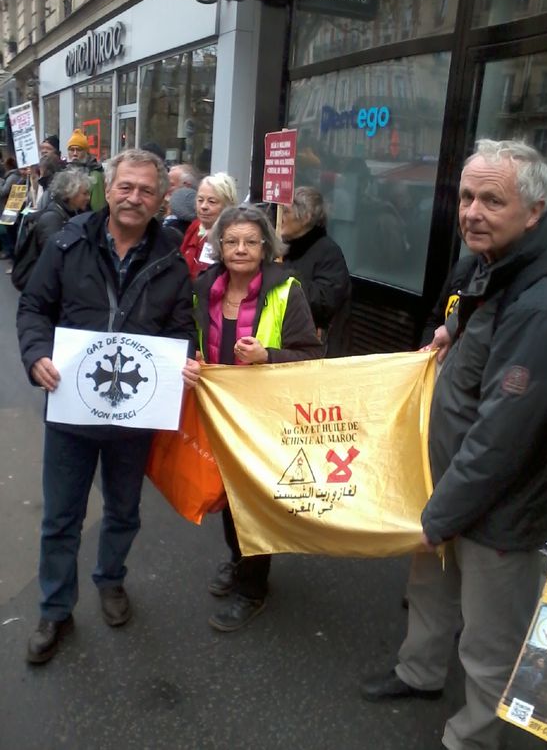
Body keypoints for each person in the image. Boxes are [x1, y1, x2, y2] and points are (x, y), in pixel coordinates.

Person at [359, 139, 547, 750]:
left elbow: (506, 431)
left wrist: (440, 514)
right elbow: (476, 315)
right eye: (466, 196)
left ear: (534, 210)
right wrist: (454, 328)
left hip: (498, 501)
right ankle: (420, 672)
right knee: (429, 589)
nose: (472, 211)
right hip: (449, 479)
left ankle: (473, 737)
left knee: (489, 636)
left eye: (491, 200)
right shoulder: (495, 258)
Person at [17, 148, 199, 665]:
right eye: (126, 187)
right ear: (108, 188)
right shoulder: (67, 243)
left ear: (160, 198)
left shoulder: (171, 258)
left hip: (134, 416)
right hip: (71, 410)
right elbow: (34, 308)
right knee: (61, 516)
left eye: (145, 190)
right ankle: (55, 607)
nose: (134, 198)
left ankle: (111, 579)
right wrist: (37, 356)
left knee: (123, 511)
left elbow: (180, 330)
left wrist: (183, 363)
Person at [183, 204, 322, 632]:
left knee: (254, 502)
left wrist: (268, 356)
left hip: (266, 418)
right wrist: (189, 362)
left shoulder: (286, 290)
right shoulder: (203, 287)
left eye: (251, 241)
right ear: (219, 246)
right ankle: (239, 560)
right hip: (220, 414)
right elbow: (191, 341)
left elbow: (313, 357)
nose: (241, 249)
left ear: (266, 247)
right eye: (231, 241)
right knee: (227, 496)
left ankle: (252, 588)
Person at [281, 186, 352, 356]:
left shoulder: (328, 252)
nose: (280, 218)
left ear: (305, 218)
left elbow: (324, 302)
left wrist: (285, 273)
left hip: (318, 349)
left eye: (285, 212)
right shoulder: (287, 247)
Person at [180, 172, 237, 279]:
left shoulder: (234, 237)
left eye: (212, 201)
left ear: (228, 205)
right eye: (200, 200)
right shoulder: (195, 227)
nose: (203, 206)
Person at [33, 168, 91, 247]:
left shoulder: (75, 212)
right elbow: (53, 254)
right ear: (70, 193)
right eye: (85, 193)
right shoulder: (51, 219)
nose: (88, 197)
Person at [65, 129, 106, 211]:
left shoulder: (94, 174)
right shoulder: (66, 171)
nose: (75, 153)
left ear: (86, 152)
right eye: (72, 150)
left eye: (79, 149)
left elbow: (98, 208)